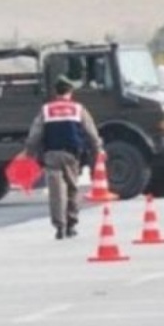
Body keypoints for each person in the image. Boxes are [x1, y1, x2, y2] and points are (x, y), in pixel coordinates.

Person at [24, 75, 103, 240]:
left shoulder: (46, 110)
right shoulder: (78, 109)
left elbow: (35, 134)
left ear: (56, 92)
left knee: (56, 192)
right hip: (71, 155)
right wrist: (98, 149)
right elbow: (91, 131)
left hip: (51, 154)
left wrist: (29, 152)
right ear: (70, 91)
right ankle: (71, 224)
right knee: (72, 189)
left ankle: (59, 226)